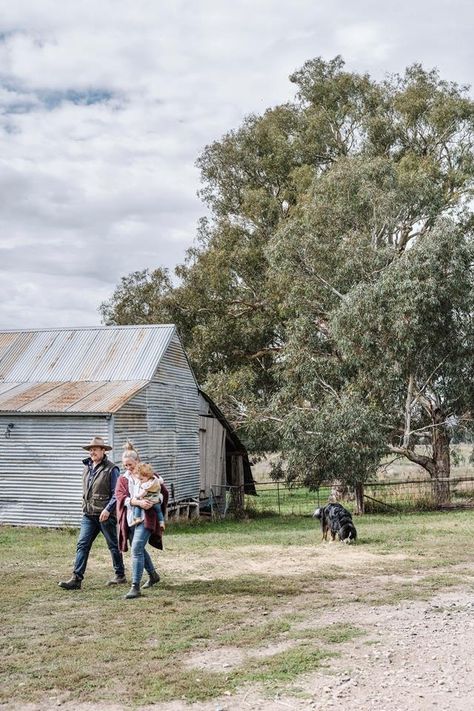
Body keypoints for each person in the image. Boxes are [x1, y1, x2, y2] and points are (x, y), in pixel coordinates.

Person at [58, 436, 126, 590]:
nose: (92, 452)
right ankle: (76, 579)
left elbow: (117, 493)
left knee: (113, 545)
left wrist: (108, 509)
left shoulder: (111, 469)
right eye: (90, 449)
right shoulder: (87, 466)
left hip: (105, 515)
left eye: (95, 449)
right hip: (89, 514)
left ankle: (120, 575)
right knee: (82, 544)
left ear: (103, 450)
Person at [116, 442, 168, 599]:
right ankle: (153, 575)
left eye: (130, 465)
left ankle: (135, 587)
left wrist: (155, 500)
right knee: (138, 549)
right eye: (125, 465)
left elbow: (163, 492)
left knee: (136, 548)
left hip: (147, 518)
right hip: (131, 519)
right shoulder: (122, 479)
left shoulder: (149, 475)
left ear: (137, 462)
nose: (128, 468)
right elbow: (120, 497)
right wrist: (136, 502)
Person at [132, 463, 165, 530]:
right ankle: (161, 523)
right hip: (156, 501)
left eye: (141, 479)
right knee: (159, 511)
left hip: (147, 501)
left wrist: (137, 497)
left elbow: (143, 493)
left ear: (147, 476)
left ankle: (137, 518)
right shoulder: (156, 480)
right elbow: (161, 481)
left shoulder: (146, 485)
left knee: (137, 505)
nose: (140, 481)